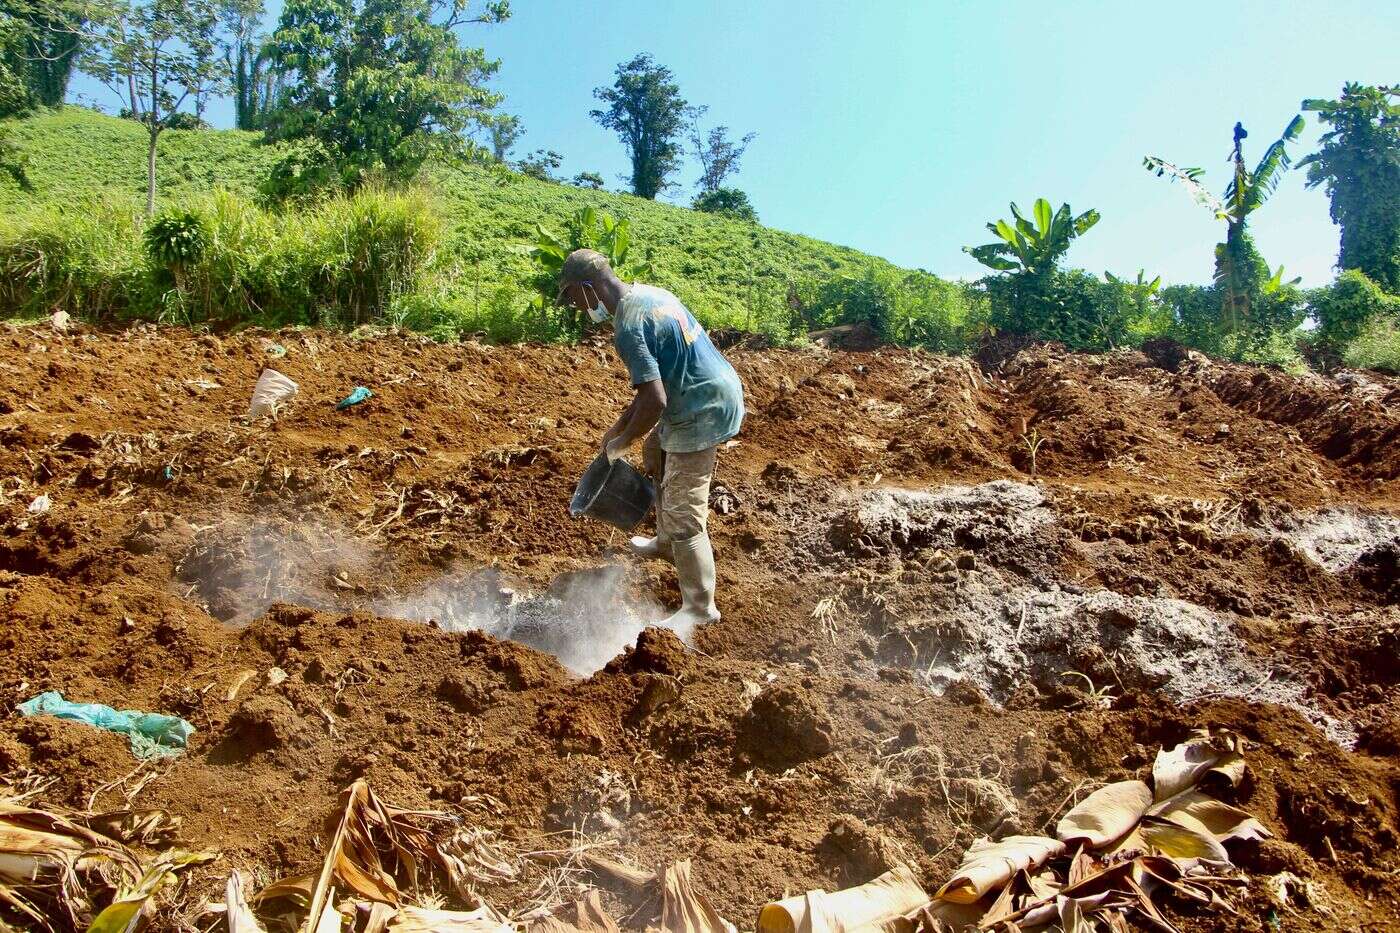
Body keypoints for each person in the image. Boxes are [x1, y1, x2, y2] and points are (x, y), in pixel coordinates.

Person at [557, 249, 744, 627]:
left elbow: (655, 399)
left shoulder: (628, 327)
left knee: (685, 515)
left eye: (573, 298)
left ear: (587, 288)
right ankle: (663, 541)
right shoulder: (648, 295)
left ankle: (699, 608)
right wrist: (619, 430)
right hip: (705, 388)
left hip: (700, 407)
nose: (577, 308)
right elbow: (649, 392)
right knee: (654, 449)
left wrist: (621, 441)